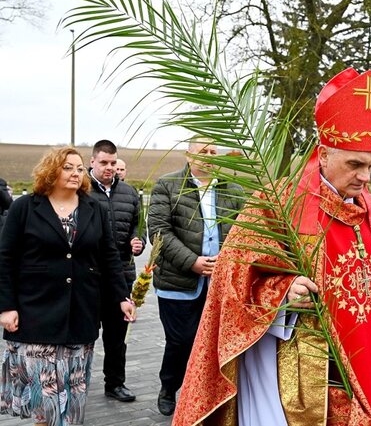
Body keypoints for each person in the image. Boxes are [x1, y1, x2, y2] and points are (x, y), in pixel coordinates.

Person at [172, 68, 371, 426]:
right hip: (295, 370)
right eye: (354, 164)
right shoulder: (278, 205)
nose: (365, 177)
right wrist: (282, 292)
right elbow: (231, 281)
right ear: (323, 154)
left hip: (366, 364)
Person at [0, 146, 136, 426]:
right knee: (45, 401)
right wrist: (6, 306)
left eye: (79, 168)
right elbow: (5, 258)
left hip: (81, 312)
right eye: (67, 167)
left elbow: (109, 257)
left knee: (72, 397)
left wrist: (122, 297)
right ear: (51, 170)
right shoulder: (25, 207)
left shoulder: (93, 209)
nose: (76, 173)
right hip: (36, 312)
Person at [147, 137, 245, 416]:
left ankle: (204, 395)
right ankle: (169, 387)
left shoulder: (233, 189)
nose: (210, 156)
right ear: (189, 156)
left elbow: (243, 231)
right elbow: (159, 231)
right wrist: (192, 262)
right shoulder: (167, 185)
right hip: (178, 283)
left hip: (220, 283)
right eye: (203, 151)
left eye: (214, 151)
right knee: (181, 341)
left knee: (214, 343)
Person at [88, 140, 145, 402]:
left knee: (116, 337)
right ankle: (77, 383)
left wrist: (138, 241)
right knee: (85, 336)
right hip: (88, 278)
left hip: (121, 276)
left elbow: (138, 226)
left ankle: (115, 383)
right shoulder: (81, 191)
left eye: (113, 163)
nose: (109, 167)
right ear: (92, 162)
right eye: (103, 162)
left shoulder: (130, 193)